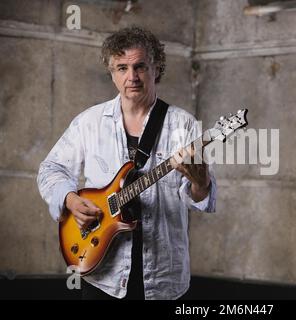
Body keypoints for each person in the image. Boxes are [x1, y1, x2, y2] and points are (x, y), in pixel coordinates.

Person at [37, 26, 216, 300]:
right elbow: (52, 169)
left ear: (156, 69)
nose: (131, 77)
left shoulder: (184, 125)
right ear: (112, 74)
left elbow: (195, 198)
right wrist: (71, 200)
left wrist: (201, 184)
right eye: (122, 68)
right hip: (103, 274)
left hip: (162, 280)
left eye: (140, 66)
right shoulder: (90, 122)